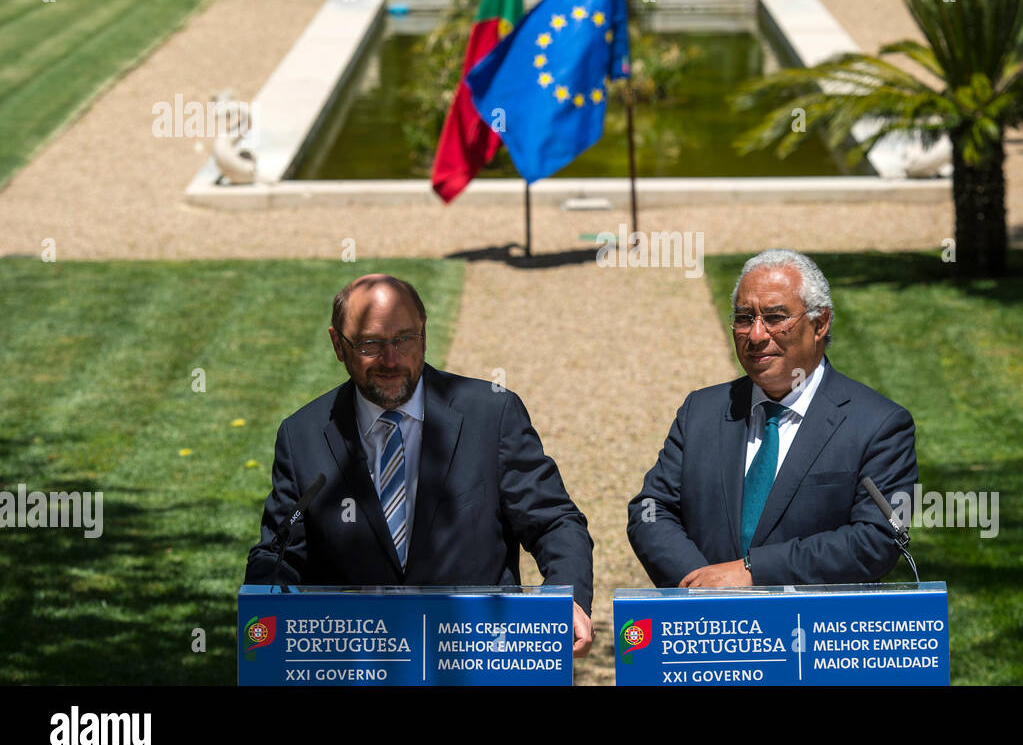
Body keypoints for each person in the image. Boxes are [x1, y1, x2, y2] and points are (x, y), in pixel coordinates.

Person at [244, 273, 594, 656]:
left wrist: (566, 595)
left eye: (404, 339)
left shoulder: (491, 415)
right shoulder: (303, 435)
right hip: (358, 662)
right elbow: (279, 553)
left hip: (479, 654)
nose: (391, 359)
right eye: (370, 344)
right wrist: (266, 611)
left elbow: (554, 521)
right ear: (338, 345)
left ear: (424, 335)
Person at [627, 249, 919, 588]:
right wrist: (704, 588)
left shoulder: (878, 426)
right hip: (708, 630)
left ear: (819, 323)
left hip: (818, 633)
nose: (755, 335)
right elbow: (650, 510)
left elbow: (875, 540)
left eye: (775, 318)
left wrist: (753, 573)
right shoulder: (700, 412)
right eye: (744, 318)